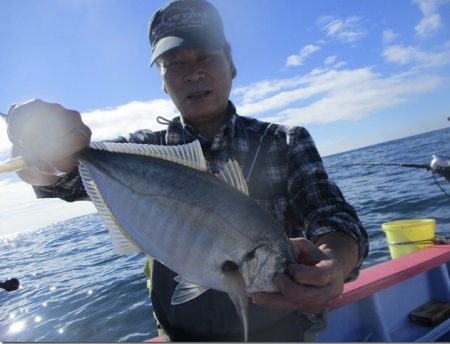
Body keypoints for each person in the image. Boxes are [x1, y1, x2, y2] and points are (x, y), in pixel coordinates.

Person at [6, 0, 368, 341]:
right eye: (174, 63)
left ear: (231, 64)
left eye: (206, 57)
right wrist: (39, 145)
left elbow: (331, 215)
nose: (193, 73)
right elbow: (61, 180)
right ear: (163, 81)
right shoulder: (144, 150)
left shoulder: (285, 142)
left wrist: (334, 262)